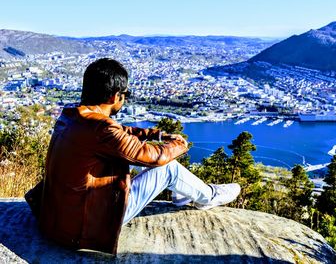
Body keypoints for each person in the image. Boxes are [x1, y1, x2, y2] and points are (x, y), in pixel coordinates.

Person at [35, 58, 240, 254]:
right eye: (126, 94)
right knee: (167, 168)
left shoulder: (72, 115)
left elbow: (119, 132)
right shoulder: (101, 128)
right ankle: (208, 197)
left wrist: (156, 134)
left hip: (56, 220)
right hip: (83, 228)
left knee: (136, 157)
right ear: (115, 96)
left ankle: (183, 194)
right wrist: (179, 144)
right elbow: (153, 157)